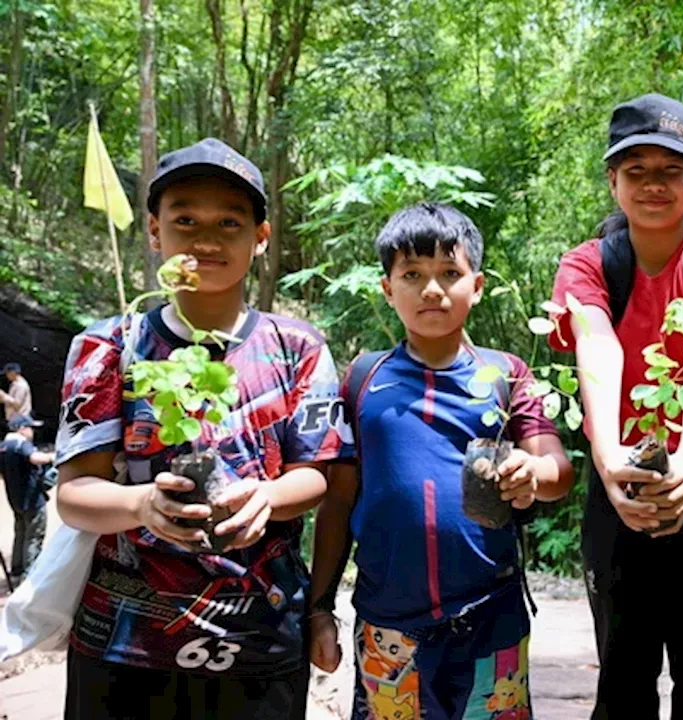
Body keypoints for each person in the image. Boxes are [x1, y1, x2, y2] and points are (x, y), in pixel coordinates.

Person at [54, 137, 351, 719]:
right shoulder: (107, 345)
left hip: (260, 641)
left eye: (231, 222)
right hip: (123, 642)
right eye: (185, 219)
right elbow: (74, 494)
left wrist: (266, 496)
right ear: (153, 230)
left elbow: (315, 476)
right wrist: (142, 505)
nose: (207, 239)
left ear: (261, 238)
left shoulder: (298, 348)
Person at [308, 202, 574, 720]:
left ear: (475, 286)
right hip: (389, 626)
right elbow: (338, 502)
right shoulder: (363, 379)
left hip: (490, 618)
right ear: (389, 289)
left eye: (449, 273)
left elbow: (557, 470)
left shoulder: (507, 374)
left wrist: (531, 472)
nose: (432, 289)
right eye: (413, 274)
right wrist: (320, 609)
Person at [548, 92, 683, 719]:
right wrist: (613, 464)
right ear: (613, 181)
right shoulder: (587, 264)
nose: (653, 185)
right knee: (623, 673)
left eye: (670, 170)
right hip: (619, 477)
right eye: (635, 171)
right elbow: (598, 346)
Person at [1, 413, 53, 578]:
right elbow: (35, 457)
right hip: (33, 500)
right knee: (34, 537)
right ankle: (30, 576)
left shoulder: (3, 446)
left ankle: (16, 569)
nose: (32, 432)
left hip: (15, 499)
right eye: (30, 428)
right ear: (22, 429)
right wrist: (52, 457)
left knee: (20, 533)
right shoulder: (21, 444)